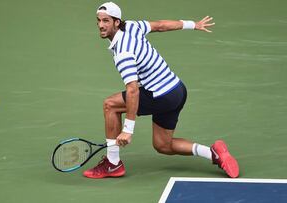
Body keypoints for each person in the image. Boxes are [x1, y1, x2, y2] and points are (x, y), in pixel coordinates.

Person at [83, 2, 239, 179]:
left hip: (161, 95)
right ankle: (214, 154)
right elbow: (160, 26)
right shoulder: (133, 26)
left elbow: (133, 90)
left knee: (110, 105)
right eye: (99, 20)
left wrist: (128, 129)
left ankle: (112, 164)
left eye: (106, 21)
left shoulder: (123, 53)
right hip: (177, 90)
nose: (101, 25)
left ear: (117, 22)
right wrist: (193, 24)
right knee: (162, 145)